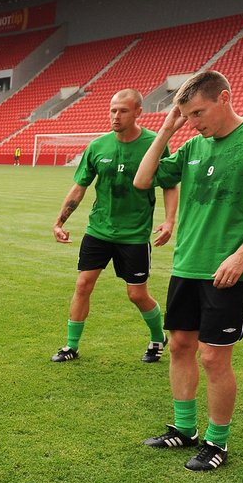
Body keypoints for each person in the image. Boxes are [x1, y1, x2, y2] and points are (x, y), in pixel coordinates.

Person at [133, 71, 243, 471]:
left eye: (198, 112)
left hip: (230, 268)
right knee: (179, 346)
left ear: (224, 98)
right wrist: (168, 128)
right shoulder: (192, 146)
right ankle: (184, 429)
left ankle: (217, 442)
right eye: (187, 115)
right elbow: (143, 180)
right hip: (187, 263)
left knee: (213, 358)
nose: (194, 122)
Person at [50, 89, 178, 364]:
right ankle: (71, 346)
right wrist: (60, 221)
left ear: (138, 112)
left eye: (123, 111)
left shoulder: (154, 144)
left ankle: (158, 337)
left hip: (134, 234)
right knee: (83, 285)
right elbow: (80, 186)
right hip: (99, 230)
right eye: (112, 110)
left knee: (137, 294)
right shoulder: (98, 146)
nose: (116, 116)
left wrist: (169, 221)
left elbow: (169, 184)